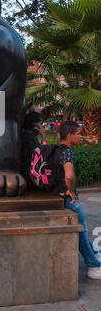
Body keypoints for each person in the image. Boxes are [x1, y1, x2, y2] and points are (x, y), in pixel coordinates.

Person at [53, 121, 101, 279]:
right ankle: (93, 265)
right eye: (79, 134)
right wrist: (72, 191)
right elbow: (69, 175)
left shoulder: (56, 150)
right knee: (82, 232)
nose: (81, 136)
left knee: (83, 232)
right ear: (69, 135)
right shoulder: (67, 152)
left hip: (59, 197)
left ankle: (94, 256)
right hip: (70, 200)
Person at [21, 111, 47, 188]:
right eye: (41, 124)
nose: (42, 127)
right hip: (30, 173)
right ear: (34, 124)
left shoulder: (28, 134)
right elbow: (40, 154)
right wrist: (44, 138)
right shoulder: (28, 135)